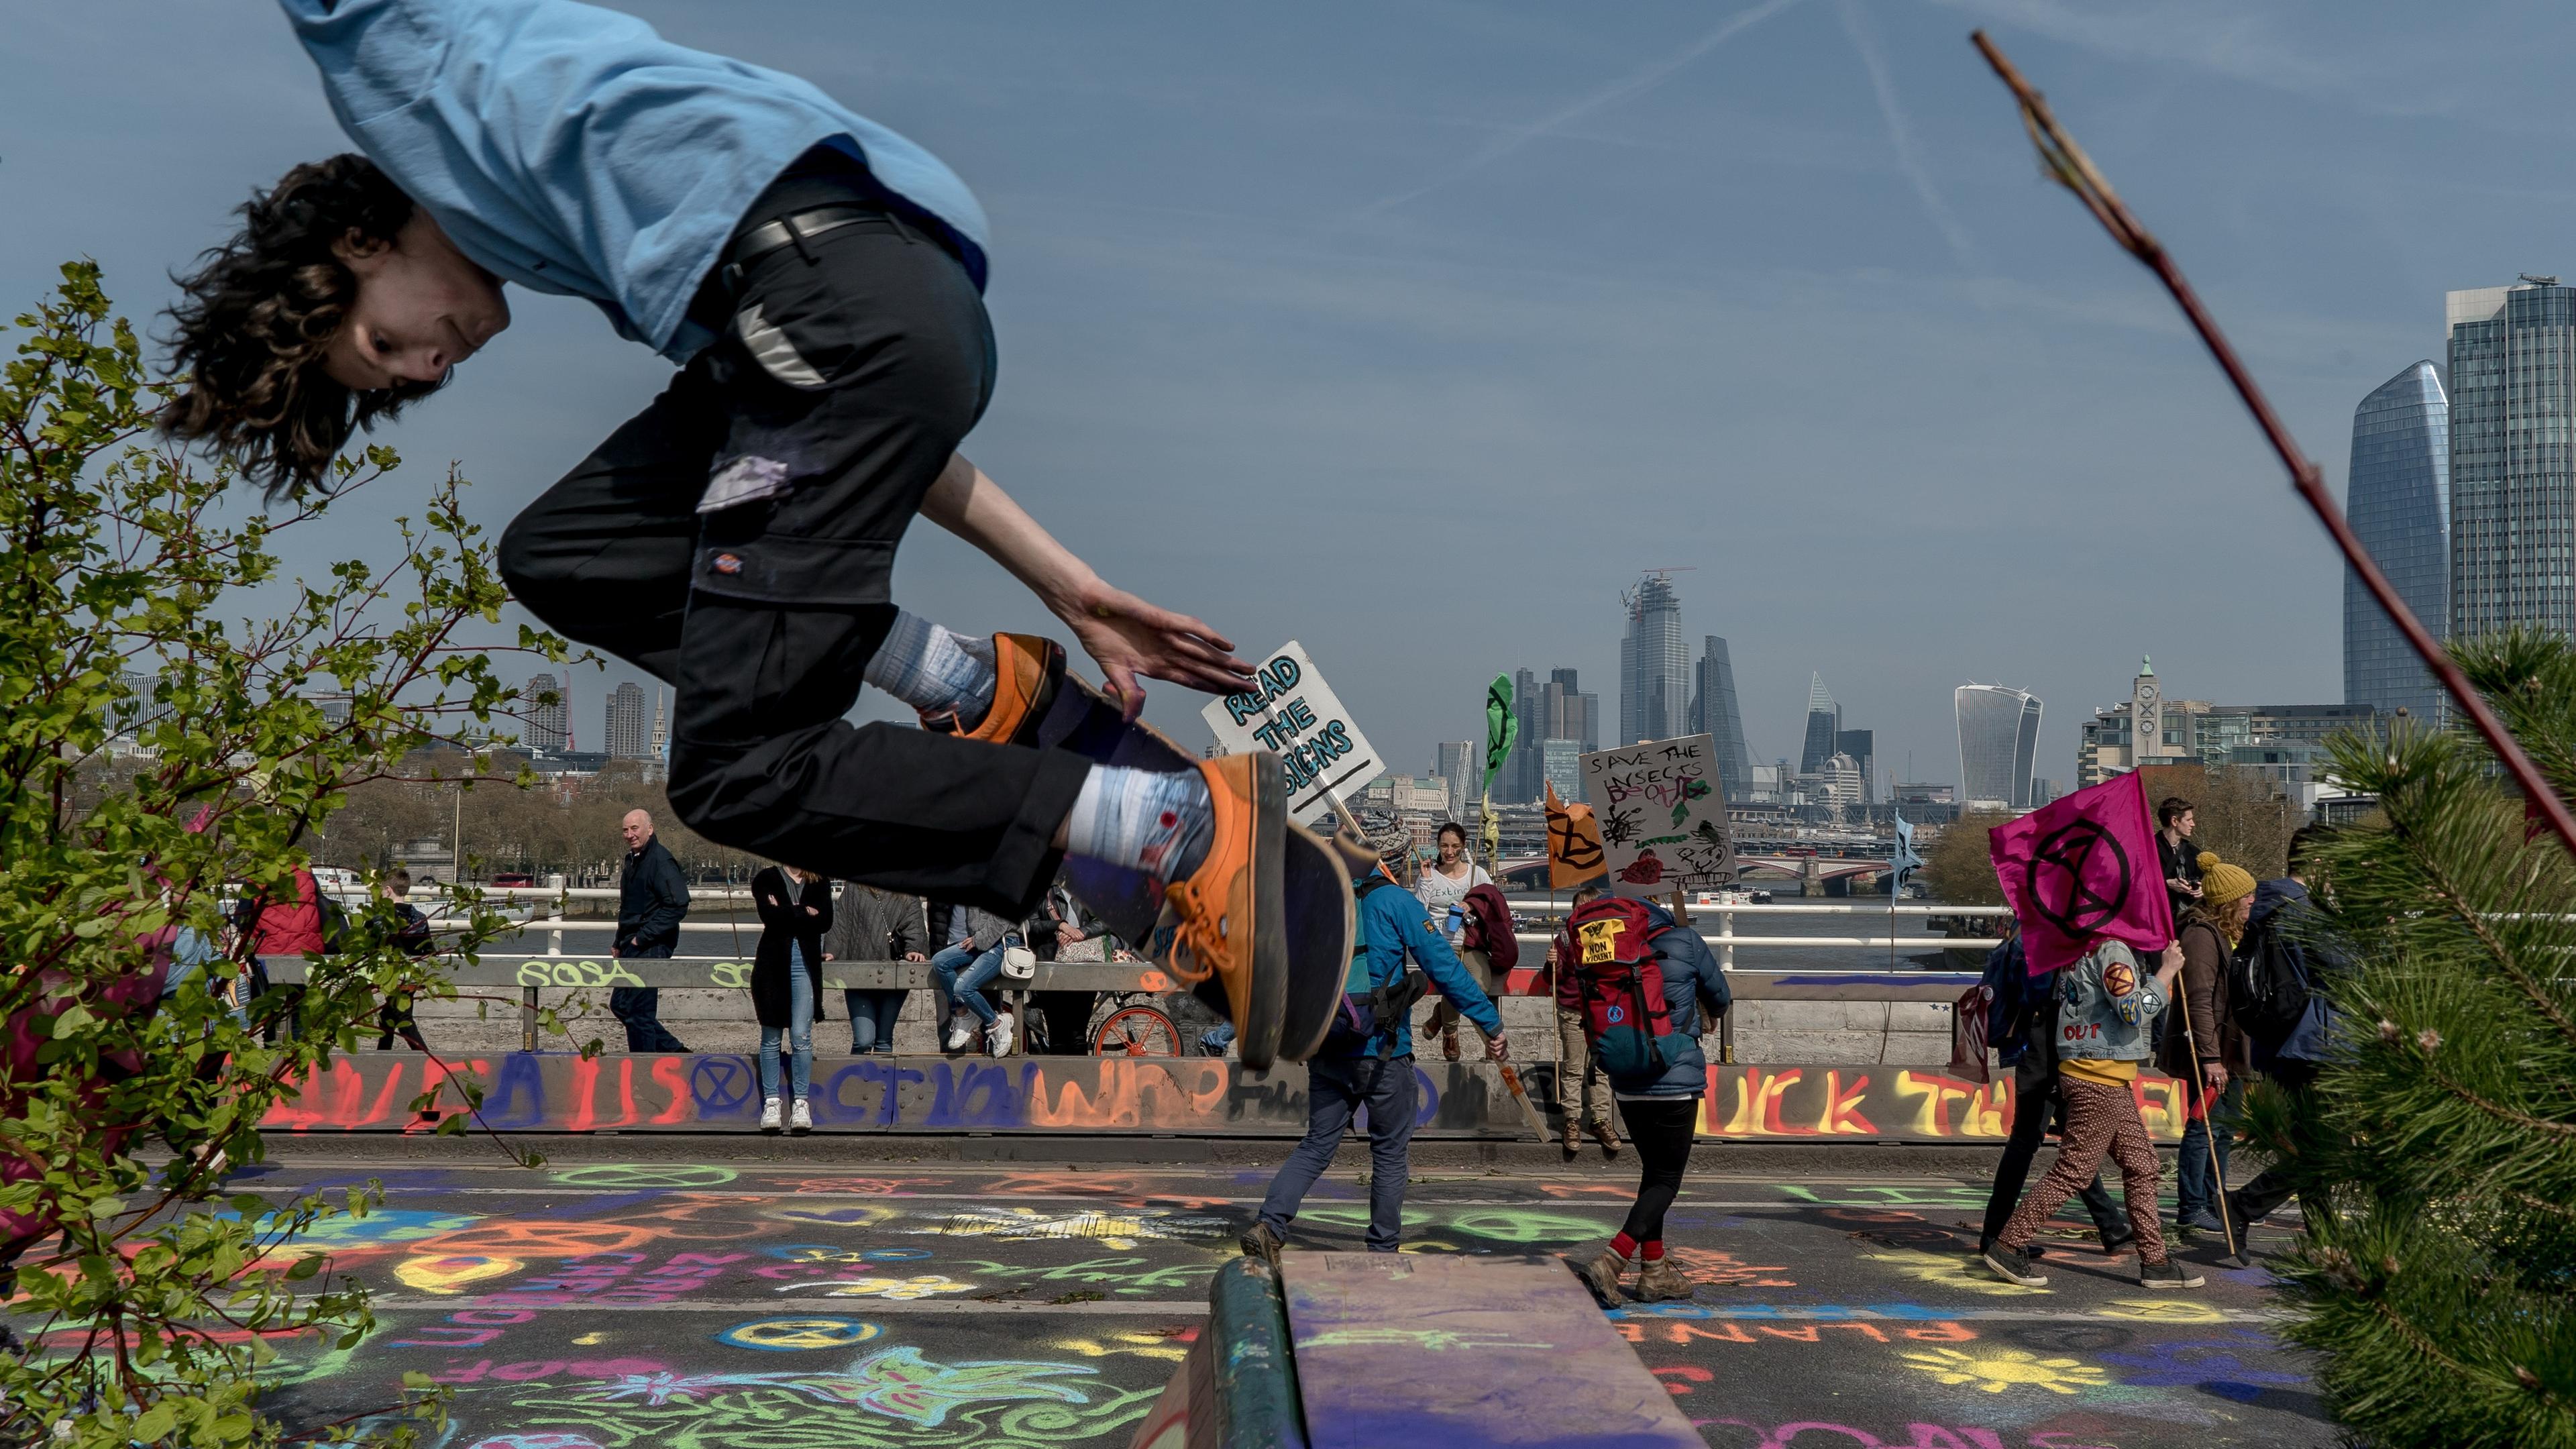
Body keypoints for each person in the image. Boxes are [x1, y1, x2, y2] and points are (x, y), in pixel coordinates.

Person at [171, 0, 1300, 1066]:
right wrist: (1071, 585)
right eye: (403, 378)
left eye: (379, 343)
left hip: (832, 315)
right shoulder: (628, 252)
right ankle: (957, 680)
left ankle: (1177, 825)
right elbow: (887, 413)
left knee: (739, 775)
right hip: (868, 322)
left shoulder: (417, 84)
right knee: (567, 550)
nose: (428, 366)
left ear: (356, 241)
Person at [1240, 822, 1507, 1261]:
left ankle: (1270, 1225)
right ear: (1393, 861)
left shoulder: (1321, 903)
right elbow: (1445, 967)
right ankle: (1382, 1248)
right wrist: (1491, 1024)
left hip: (1328, 1045)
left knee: (1316, 1145)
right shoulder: (1397, 901)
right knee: (1388, 1152)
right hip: (1384, 1051)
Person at [1984, 934, 2202, 1290]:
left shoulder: (2074, 946)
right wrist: (2166, 973)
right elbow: (2133, 1010)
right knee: (2074, 1171)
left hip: (2100, 1073)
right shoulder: (2112, 950)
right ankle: (2008, 1244)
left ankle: (2156, 1260)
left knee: (2142, 1166)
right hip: (2099, 1075)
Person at [1564, 893, 1731, 1307]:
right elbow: (1721, 997)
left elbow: (1572, 997)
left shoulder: (1600, 943)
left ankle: (1654, 1272)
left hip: (1626, 1077)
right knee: (1666, 1179)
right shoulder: (1684, 940)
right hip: (1674, 1077)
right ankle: (1613, 1258)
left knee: (1653, 1173)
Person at [1973, 913, 2132, 1261]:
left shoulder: (2022, 931)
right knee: (2030, 1143)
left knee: (2073, 1143)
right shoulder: (2038, 938)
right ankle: (1996, 1235)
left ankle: (2112, 1226)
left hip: (2042, 1050)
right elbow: (2043, 995)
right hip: (2046, 1051)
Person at [2229, 826, 2341, 1235]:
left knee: (2311, 1144)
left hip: (2280, 1039)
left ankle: (2328, 1241)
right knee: (2329, 1147)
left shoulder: (2267, 904)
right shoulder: (2306, 911)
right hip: (2314, 1044)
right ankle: (2242, 1204)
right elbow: (2347, 966)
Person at [2162, 851, 2253, 1238]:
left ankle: (2215, 1202)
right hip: (2210, 1052)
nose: (2253, 901)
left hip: (2229, 1050)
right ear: (2230, 901)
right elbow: (2199, 998)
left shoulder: (2230, 936)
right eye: (2247, 896)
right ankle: (2193, 1208)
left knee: (2223, 1129)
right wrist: (2211, 1057)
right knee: (2204, 1128)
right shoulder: (2202, 936)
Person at [751, 863, 831, 1132]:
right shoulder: (766, 878)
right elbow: (769, 918)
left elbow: (825, 921)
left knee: (801, 1035)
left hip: (805, 963)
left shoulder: (818, 879)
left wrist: (785, 911)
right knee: (771, 1035)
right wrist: (802, 912)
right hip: (772, 965)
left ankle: (801, 1103)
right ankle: (772, 1102)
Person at [1415, 822, 1500, 1061]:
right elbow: (1418, 912)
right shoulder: (1430, 875)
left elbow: (1494, 905)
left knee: (1481, 985)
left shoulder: (1477, 874)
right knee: (1454, 983)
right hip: (1440, 944)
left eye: (1455, 846)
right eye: (1444, 846)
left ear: (1464, 847)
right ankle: (1451, 1033)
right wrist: (1426, 881)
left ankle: (1441, 1016)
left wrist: (1472, 905)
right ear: (1438, 847)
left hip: (1472, 941)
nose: (1449, 852)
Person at [1549, 885, 1620, 1157]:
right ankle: (1572, 1120)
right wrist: (1552, 963)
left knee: (1601, 1068)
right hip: (1572, 1010)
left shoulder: (1609, 937)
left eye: (1591, 907)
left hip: (1602, 1011)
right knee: (1573, 1067)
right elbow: (1554, 978)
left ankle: (1601, 1119)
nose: (1585, 912)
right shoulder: (1565, 938)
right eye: (1580, 907)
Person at [610, 808, 690, 1053]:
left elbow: (678, 904)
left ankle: (643, 1070)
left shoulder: (660, 861)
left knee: (639, 1013)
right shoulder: (633, 860)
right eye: (626, 830)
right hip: (632, 942)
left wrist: (641, 938)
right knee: (621, 1005)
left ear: (650, 829)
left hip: (651, 944)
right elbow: (630, 906)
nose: (630, 834)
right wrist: (619, 940)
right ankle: (674, 1050)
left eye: (635, 828)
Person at [824, 882, 926, 1055]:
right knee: (863, 1040)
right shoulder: (854, 888)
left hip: (893, 973)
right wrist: (831, 951)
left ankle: (880, 1082)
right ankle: (856, 1078)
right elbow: (840, 922)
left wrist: (913, 950)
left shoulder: (906, 890)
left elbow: (914, 925)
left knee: (884, 1040)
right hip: (858, 975)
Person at [926, 902, 1022, 1057]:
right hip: (979, 941)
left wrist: (979, 940)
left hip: (1003, 942)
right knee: (940, 961)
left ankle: (997, 1023)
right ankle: (963, 1013)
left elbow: (1003, 917)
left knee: (963, 988)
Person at [1025, 877, 1104, 1055]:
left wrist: (1081, 933)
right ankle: (1057, 1082)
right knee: (1057, 1035)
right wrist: (1059, 926)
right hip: (1050, 966)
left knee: (1078, 1035)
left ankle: (1080, 1081)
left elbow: (1105, 920)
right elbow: (1030, 924)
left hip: (1083, 965)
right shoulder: (1040, 890)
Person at [373, 867, 435, 1052]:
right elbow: (428, 949)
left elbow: (372, 950)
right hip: (412, 976)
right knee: (389, 1016)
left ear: (388, 891)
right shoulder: (420, 918)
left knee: (403, 1019)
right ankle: (382, 1056)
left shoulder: (379, 920)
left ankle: (425, 1057)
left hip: (390, 975)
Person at [2155, 798, 2204, 918]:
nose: (2193, 824)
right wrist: (2166, 884)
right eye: (2188, 820)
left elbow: (2206, 881)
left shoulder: (2194, 853)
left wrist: (2203, 890)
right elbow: (2135, 885)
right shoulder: (2148, 850)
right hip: (2159, 919)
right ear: (2175, 821)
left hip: (2187, 920)